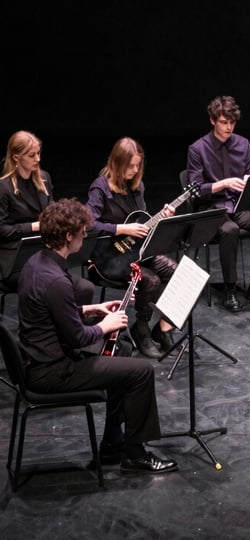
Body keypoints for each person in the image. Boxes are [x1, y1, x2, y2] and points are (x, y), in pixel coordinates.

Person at [17, 198, 177, 473]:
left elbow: (54, 311)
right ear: (68, 236)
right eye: (82, 231)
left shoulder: (37, 262)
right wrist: (107, 324)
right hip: (53, 370)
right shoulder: (55, 279)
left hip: (43, 356)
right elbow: (79, 338)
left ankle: (113, 445)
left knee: (123, 350)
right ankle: (136, 454)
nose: (85, 236)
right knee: (141, 371)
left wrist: (92, 309)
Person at [86, 137, 178, 359]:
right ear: (117, 163)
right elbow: (88, 224)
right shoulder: (101, 187)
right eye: (130, 165)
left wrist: (161, 218)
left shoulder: (137, 186)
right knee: (151, 280)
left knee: (178, 272)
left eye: (138, 165)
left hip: (136, 251)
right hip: (109, 257)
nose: (135, 170)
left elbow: (142, 221)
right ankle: (142, 329)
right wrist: (121, 229)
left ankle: (164, 327)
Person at [186, 94, 250, 312]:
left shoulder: (243, 145)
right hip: (212, 209)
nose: (228, 128)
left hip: (237, 205)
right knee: (230, 230)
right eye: (223, 122)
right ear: (212, 120)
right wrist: (222, 184)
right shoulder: (198, 149)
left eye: (232, 123)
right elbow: (195, 190)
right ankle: (229, 288)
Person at [0, 130, 94, 306]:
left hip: (43, 254)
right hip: (15, 262)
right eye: (31, 155)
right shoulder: (3, 188)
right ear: (15, 157)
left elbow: (52, 213)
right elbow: (1, 230)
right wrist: (34, 227)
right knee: (58, 288)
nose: (38, 159)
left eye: (38, 153)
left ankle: (72, 330)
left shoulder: (43, 179)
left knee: (84, 289)